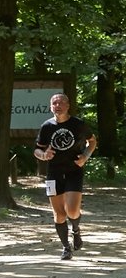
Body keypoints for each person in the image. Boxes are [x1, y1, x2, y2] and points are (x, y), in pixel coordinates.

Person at [34, 93, 96, 260]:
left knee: (72, 210)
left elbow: (92, 141)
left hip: (73, 170)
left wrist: (85, 156)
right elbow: (37, 150)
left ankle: (76, 230)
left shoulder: (78, 124)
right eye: (54, 103)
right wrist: (43, 155)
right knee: (59, 214)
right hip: (53, 173)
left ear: (68, 106)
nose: (58, 105)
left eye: (61, 102)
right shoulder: (46, 127)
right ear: (50, 107)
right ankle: (65, 247)